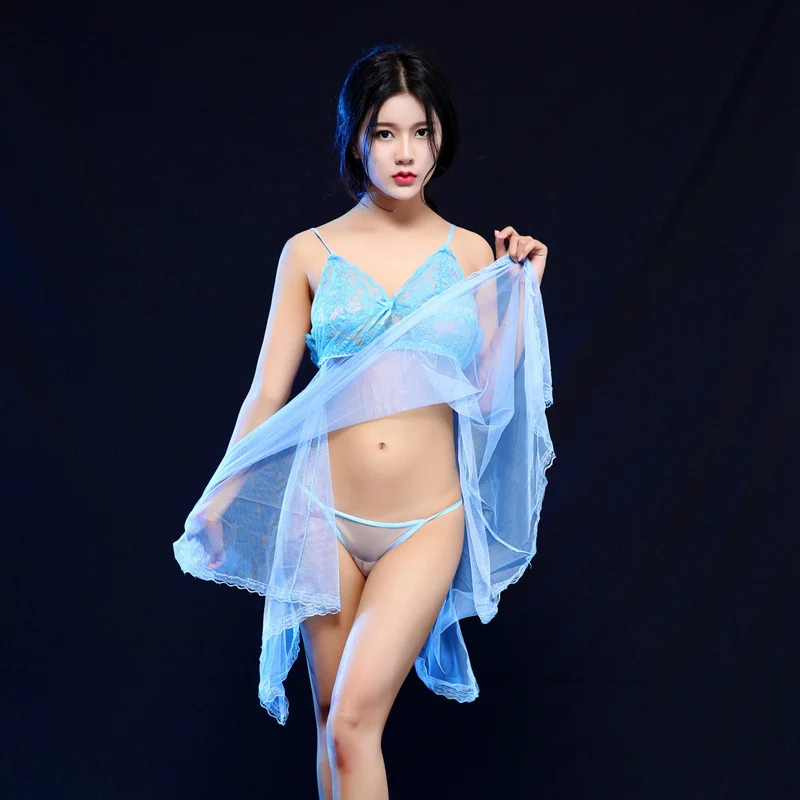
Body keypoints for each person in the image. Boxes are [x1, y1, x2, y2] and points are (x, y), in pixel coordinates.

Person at [173, 43, 554, 800]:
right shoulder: (308, 253)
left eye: (421, 131)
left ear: (440, 138)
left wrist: (524, 294)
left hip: (426, 520)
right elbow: (266, 395)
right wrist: (218, 496)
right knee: (330, 724)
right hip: (322, 514)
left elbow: (484, 400)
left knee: (352, 724)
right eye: (385, 132)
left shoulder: (471, 254)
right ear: (356, 140)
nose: (405, 153)